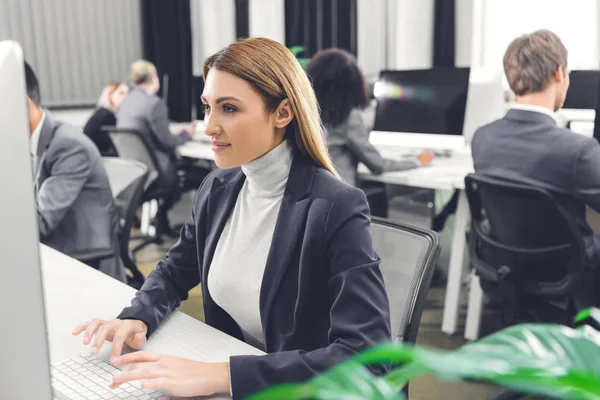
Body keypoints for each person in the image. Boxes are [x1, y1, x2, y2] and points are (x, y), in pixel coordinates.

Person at [73, 38, 391, 399]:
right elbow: (176, 270)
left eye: (229, 109)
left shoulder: (336, 206)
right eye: (207, 107)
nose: (209, 126)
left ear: (282, 113)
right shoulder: (218, 188)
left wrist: (225, 375)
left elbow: (369, 358)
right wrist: (137, 314)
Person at [471, 29, 600, 306]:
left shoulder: (482, 139)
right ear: (559, 74)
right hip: (569, 274)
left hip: (508, 269)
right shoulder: (578, 151)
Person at [24, 62, 125, 282]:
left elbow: (39, 223)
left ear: (23, 103)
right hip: (58, 241)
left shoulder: (67, 146)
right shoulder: (30, 141)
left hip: (82, 254)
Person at [306, 48, 434, 217]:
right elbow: (377, 165)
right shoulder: (347, 117)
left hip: (311, 200)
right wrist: (417, 161)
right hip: (339, 201)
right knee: (383, 191)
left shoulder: (306, 114)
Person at [116, 60, 194, 234]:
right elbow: (168, 142)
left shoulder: (125, 103)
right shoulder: (154, 103)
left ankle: (162, 221)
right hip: (157, 174)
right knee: (199, 174)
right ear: (153, 77)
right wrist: (186, 133)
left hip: (135, 171)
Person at [83, 82, 129, 156]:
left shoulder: (101, 112)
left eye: (127, 93)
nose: (126, 97)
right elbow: (112, 145)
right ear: (110, 96)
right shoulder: (107, 116)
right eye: (121, 93)